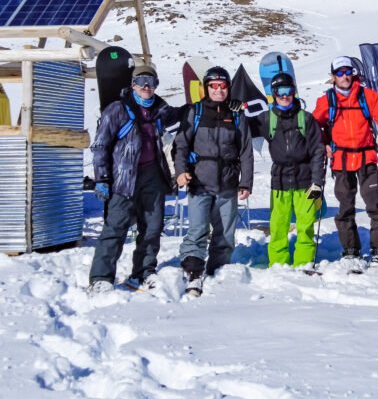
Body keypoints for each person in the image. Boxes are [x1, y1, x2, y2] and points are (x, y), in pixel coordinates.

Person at [88, 64, 180, 293]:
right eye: (141, 82)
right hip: (123, 179)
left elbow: (185, 115)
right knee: (115, 228)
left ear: (156, 84)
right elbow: (100, 145)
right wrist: (102, 178)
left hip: (153, 175)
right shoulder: (117, 110)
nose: (146, 86)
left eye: (150, 82)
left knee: (152, 227)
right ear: (133, 85)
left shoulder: (161, 109)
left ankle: (143, 272)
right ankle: (101, 277)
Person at [312, 56, 378, 269]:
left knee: (375, 206)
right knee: (345, 207)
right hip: (341, 160)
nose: (345, 76)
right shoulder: (327, 100)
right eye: (340, 72)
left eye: (348, 71)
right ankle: (350, 250)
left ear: (353, 73)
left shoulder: (367, 96)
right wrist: (323, 143)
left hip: (366, 157)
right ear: (333, 76)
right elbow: (313, 125)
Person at [175, 66, 254, 293]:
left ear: (228, 87)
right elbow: (181, 145)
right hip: (200, 182)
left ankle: (218, 271)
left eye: (223, 85)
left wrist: (246, 182)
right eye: (214, 86)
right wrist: (181, 171)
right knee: (197, 231)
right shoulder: (195, 112)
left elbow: (246, 151)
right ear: (206, 87)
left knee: (225, 235)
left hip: (228, 184)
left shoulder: (236, 115)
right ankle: (193, 271)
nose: (219, 90)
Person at [250, 72, 326, 268]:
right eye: (280, 91)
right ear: (273, 94)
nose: (285, 96)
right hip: (280, 182)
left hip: (307, 181)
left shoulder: (306, 119)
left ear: (294, 92)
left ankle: (303, 263)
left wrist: (317, 182)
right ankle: (278, 263)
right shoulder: (267, 119)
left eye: (289, 91)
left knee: (306, 224)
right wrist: (235, 112)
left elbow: (318, 151)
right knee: (278, 226)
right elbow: (243, 129)